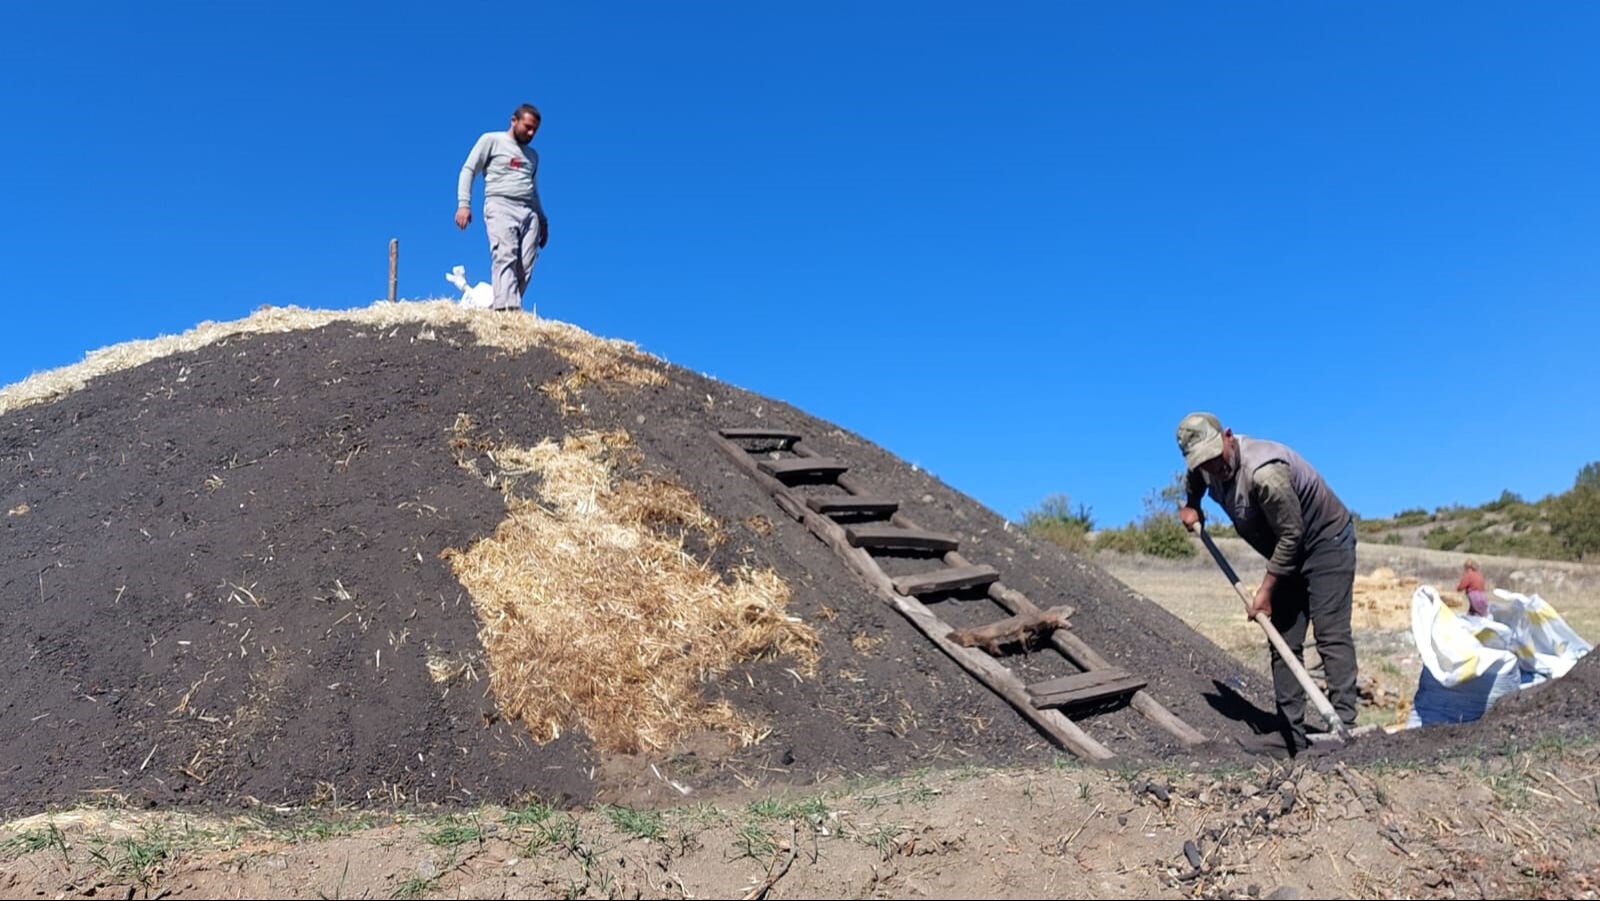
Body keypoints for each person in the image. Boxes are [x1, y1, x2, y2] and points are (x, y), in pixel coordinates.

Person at [1174, 412, 1359, 755]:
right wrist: (1192, 505)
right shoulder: (1204, 466)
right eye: (1203, 463)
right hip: (1285, 552)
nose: (1213, 468)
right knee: (1284, 641)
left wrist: (1266, 590)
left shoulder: (1265, 472)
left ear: (1228, 436)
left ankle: (1345, 729)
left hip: (1325, 542)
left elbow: (1293, 535)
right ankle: (1291, 734)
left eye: (1216, 458)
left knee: (1330, 632)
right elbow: (1195, 479)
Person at [456, 104, 548, 313]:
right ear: (513, 121)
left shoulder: (533, 156)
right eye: (528, 127)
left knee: (526, 264)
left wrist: (542, 219)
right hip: (500, 205)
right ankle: (506, 310)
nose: (531, 133)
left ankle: (509, 306)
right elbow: (469, 170)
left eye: (535, 130)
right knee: (505, 254)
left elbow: (533, 189)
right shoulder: (491, 140)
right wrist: (464, 204)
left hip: (529, 211)